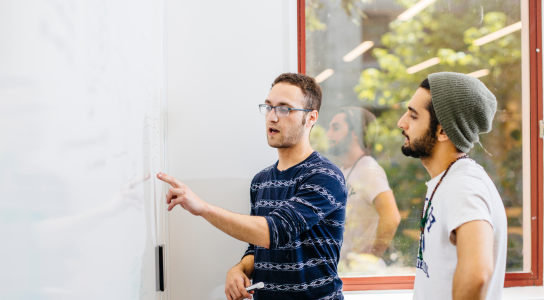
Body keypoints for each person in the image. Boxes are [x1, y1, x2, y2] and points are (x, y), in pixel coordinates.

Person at [157, 73, 347, 300]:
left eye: (284, 109)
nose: (272, 117)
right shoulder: (261, 180)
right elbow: (256, 247)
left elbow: (273, 231)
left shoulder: (325, 176)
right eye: (268, 107)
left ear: (311, 117)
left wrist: (203, 208)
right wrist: (239, 269)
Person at [397, 72, 507, 299]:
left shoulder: (463, 185)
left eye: (413, 116)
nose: (402, 122)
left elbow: (477, 273)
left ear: (443, 131)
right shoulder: (449, 180)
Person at [326, 107, 400, 273]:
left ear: (355, 133)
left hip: (362, 275)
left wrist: (371, 257)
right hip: (344, 272)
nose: (328, 135)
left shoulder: (368, 169)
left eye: (336, 128)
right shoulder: (344, 171)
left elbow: (392, 216)